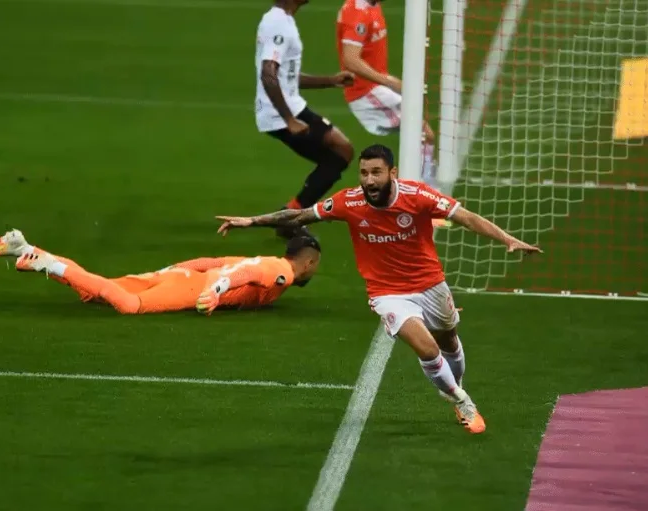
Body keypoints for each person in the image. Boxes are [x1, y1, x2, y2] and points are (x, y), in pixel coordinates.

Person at [215, 144, 542, 433]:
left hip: (430, 284)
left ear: (392, 172)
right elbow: (300, 215)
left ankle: (454, 387)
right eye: (364, 173)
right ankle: (463, 401)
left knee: (448, 339)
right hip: (387, 293)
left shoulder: (418, 196)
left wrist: (507, 239)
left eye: (376, 173)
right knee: (427, 349)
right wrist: (253, 221)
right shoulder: (349, 201)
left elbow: (466, 217)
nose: (369, 180)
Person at [0, 229, 322, 315]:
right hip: (192, 289)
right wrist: (216, 292)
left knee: (95, 292)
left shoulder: (265, 260)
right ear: (308, 261)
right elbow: (244, 274)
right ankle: (41, 259)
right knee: (129, 306)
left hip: (183, 277)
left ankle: (23, 248)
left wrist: (167, 270)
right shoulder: (281, 272)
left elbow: (211, 260)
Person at [256, 0, 357, 239]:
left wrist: (330, 80)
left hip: (290, 107)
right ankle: (290, 217)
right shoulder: (278, 23)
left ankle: (291, 215)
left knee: (340, 153)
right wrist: (289, 120)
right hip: (281, 114)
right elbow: (268, 74)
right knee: (341, 151)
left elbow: (287, 77)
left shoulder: (284, 20)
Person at [336, 0, 439, 190]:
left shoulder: (372, 5)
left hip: (376, 88)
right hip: (366, 94)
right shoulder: (357, 13)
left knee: (423, 135)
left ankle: (421, 192)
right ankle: (422, 194)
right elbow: (350, 59)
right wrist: (388, 81)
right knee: (424, 135)